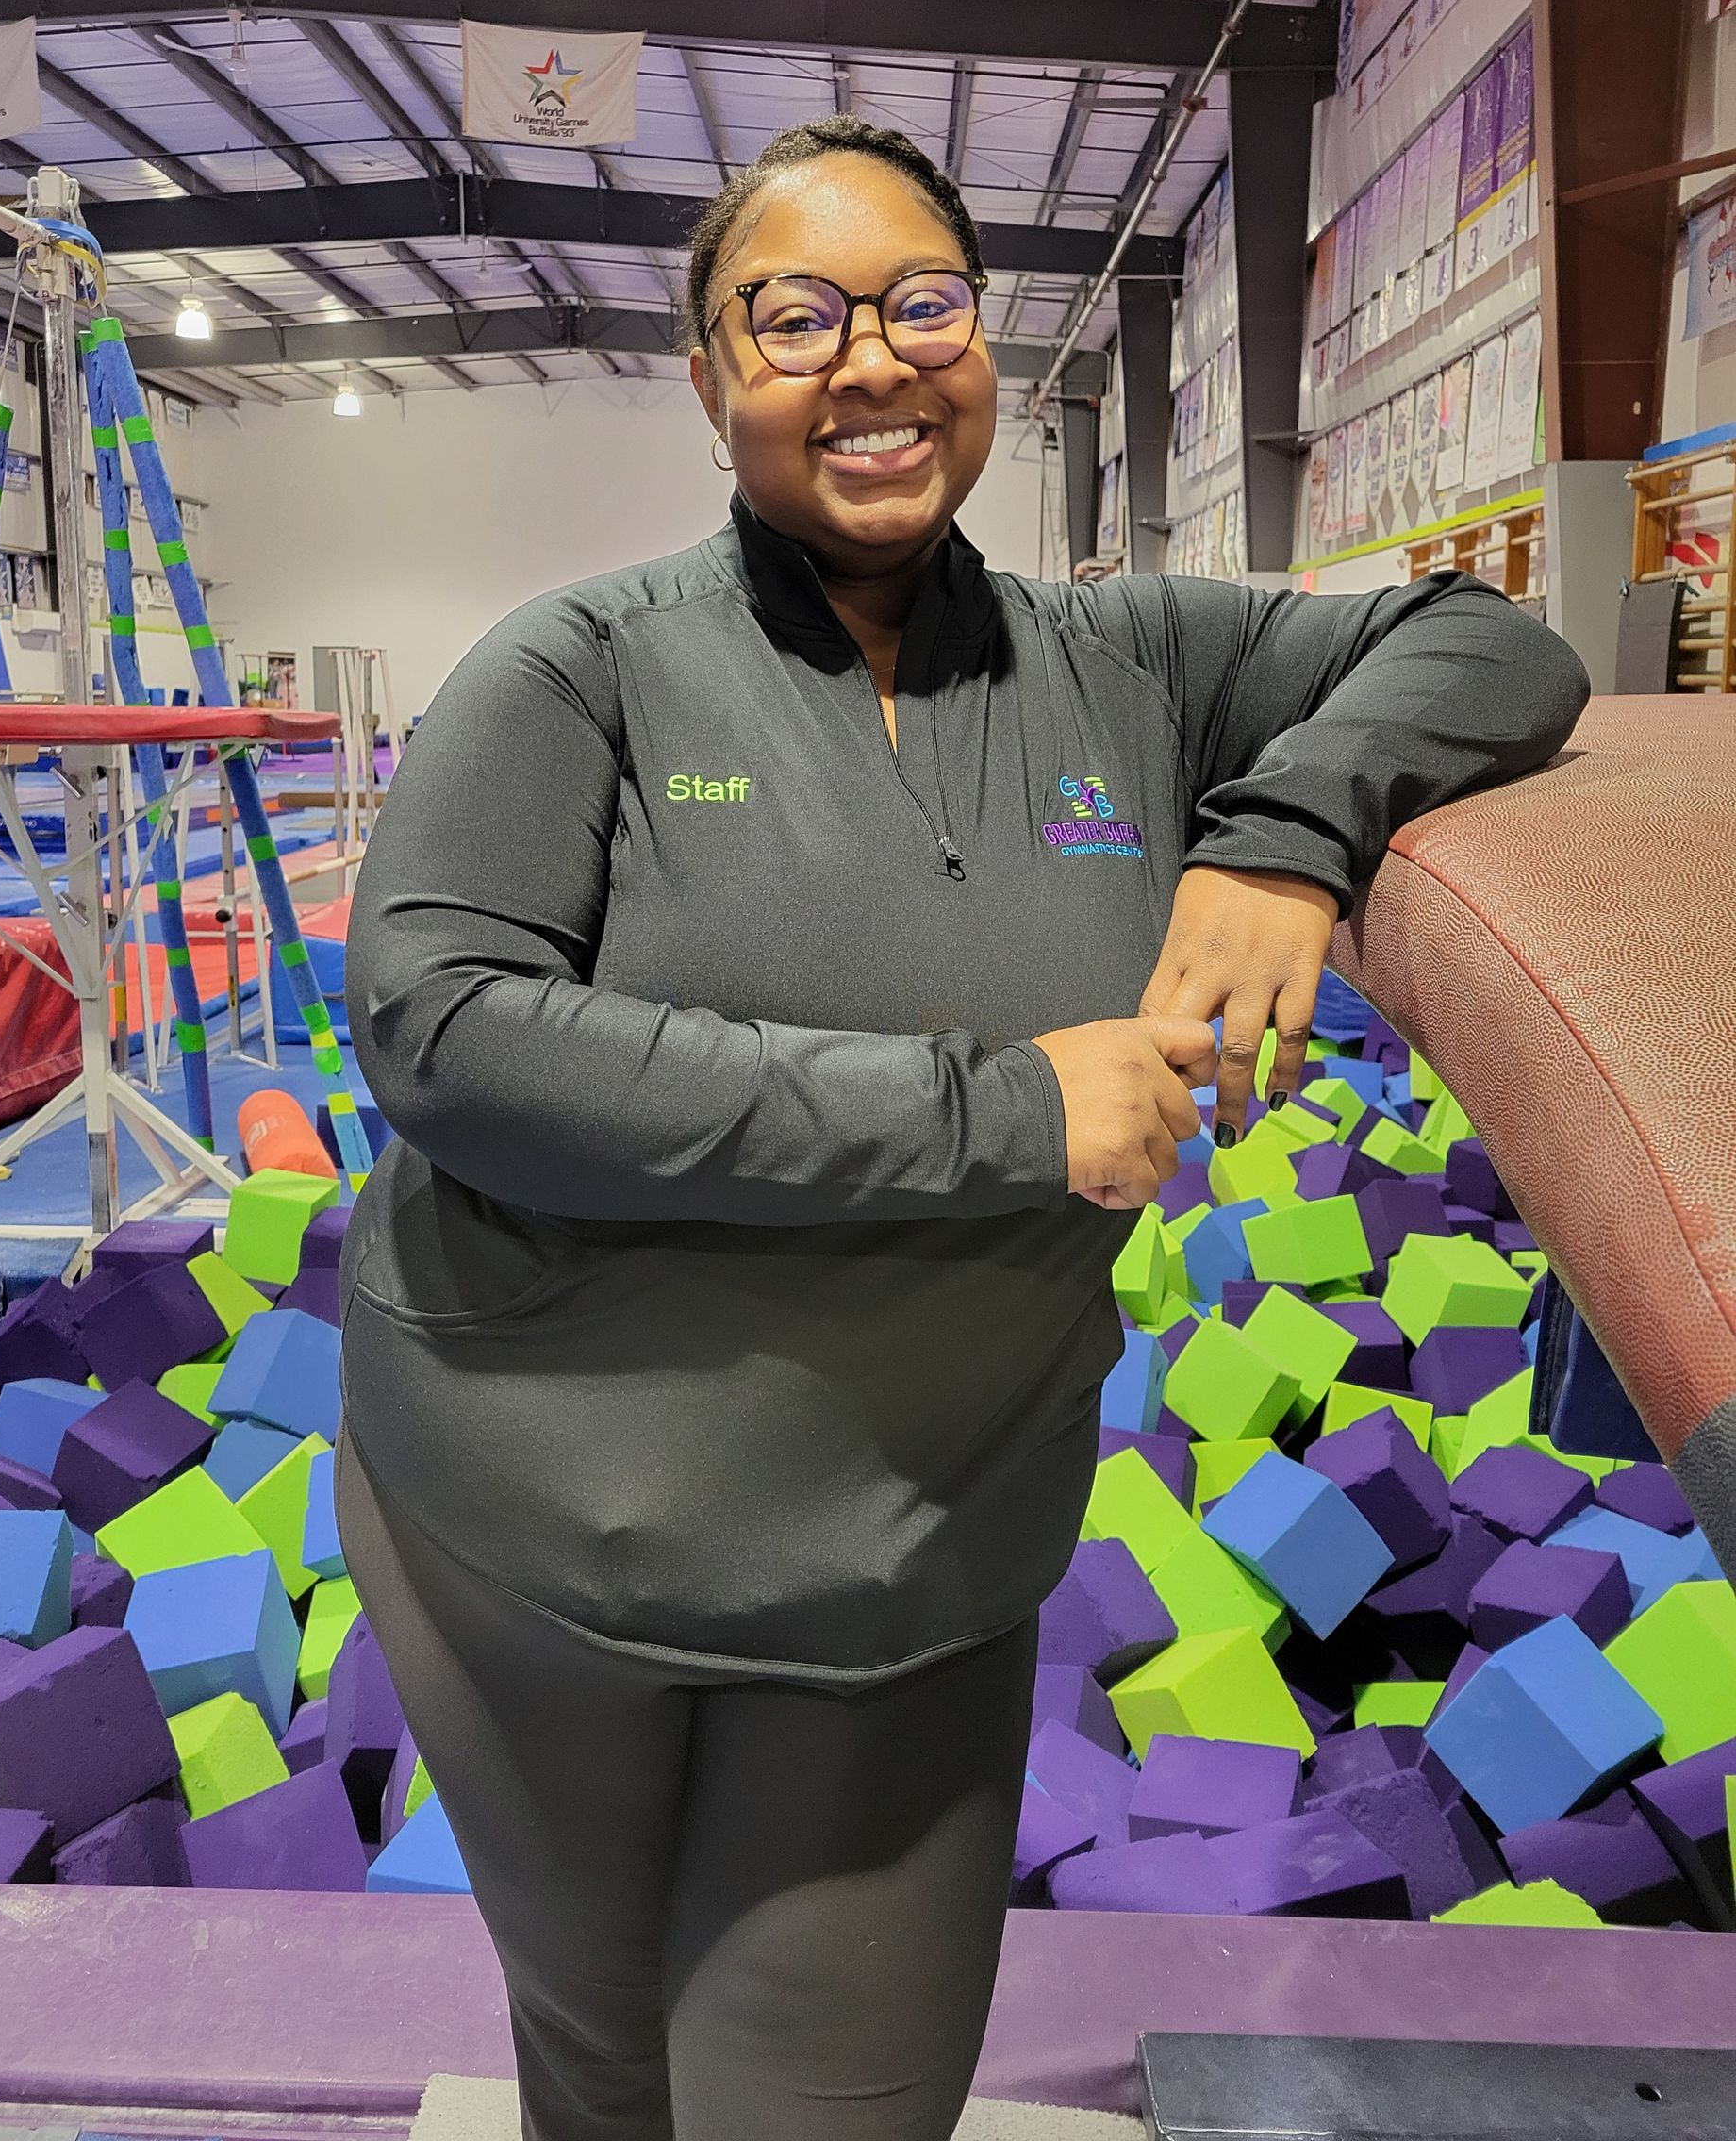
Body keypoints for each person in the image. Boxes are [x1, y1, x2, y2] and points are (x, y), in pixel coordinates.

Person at [338, 117, 1588, 2141]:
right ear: (709, 367)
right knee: (596, 2058)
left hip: (909, 1559)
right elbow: (444, 1031)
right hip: (523, 1543)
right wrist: (999, 1108)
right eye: (797, 313)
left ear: (980, 336)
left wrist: (1288, 830)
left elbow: (1500, 644)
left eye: (923, 299)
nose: (872, 358)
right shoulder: (581, 667)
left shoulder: (1131, 664)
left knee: (837, 2103)